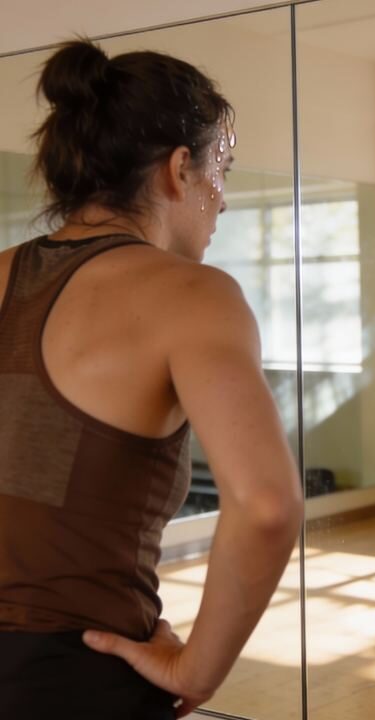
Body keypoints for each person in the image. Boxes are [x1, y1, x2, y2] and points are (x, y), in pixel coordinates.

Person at [0, 40, 303, 719]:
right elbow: (266, 505)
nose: (222, 201)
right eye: (219, 169)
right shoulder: (192, 294)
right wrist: (198, 669)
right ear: (177, 170)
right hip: (74, 675)